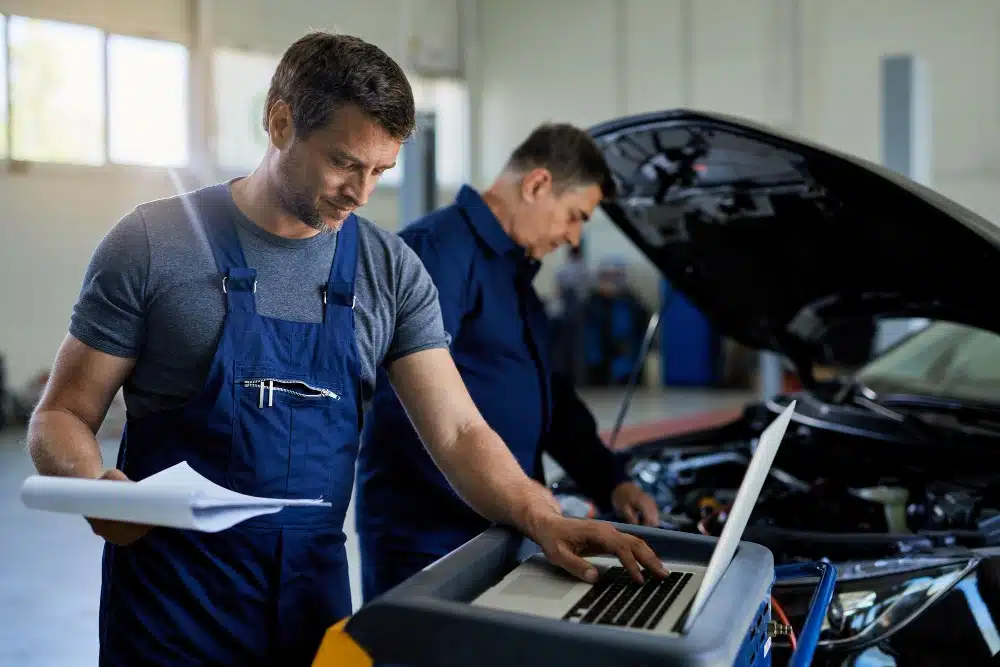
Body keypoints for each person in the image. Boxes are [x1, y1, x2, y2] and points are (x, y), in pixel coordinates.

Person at [25, 33, 665, 667]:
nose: (362, 193)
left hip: (313, 610)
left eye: (381, 171)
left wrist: (539, 515)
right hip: (173, 616)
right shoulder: (153, 244)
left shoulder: (390, 270)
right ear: (279, 123)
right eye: (344, 163)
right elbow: (61, 415)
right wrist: (95, 490)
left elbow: (460, 430)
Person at [356, 123, 662, 603]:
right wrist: (524, 505)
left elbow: (549, 396)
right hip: (429, 535)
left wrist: (610, 480)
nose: (573, 236)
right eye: (574, 216)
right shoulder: (437, 251)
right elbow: (406, 404)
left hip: (504, 520)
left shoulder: (512, 269)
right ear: (537, 184)